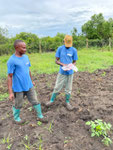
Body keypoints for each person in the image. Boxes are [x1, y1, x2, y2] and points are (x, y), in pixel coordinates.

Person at [7, 40, 47, 124]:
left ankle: (40, 116)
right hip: (18, 88)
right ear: (17, 48)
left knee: (35, 100)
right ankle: (16, 118)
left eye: (25, 47)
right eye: (23, 47)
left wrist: (32, 81)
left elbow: (28, 70)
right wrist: (10, 92)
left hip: (29, 85)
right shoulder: (12, 61)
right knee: (19, 104)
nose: (25, 49)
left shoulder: (26, 57)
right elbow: (9, 77)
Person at [46, 35, 78, 111]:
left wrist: (71, 66)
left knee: (68, 88)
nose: (67, 46)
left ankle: (67, 102)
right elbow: (56, 60)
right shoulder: (60, 49)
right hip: (62, 72)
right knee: (57, 87)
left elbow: (74, 61)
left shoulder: (73, 50)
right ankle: (51, 100)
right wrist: (63, 65)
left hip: (70, 72)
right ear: (63, 41)